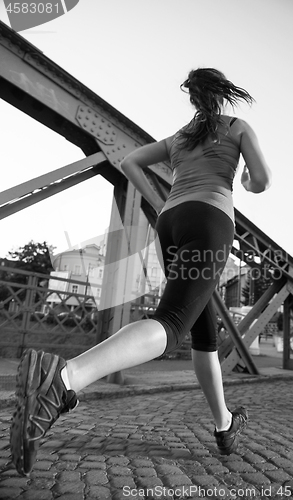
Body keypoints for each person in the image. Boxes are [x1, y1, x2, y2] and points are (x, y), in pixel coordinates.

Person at [10, 68, 272, 477]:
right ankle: (64, 377)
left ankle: (224, 423)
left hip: (172, 221)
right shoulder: (237, 126)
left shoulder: (179, 138)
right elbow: (263, 180)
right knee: (171, 322)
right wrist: (244, 180)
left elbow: (131, 160)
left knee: (202, 333)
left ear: (193, 98)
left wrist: (158, 196)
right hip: (211, 220)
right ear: (223, 94)